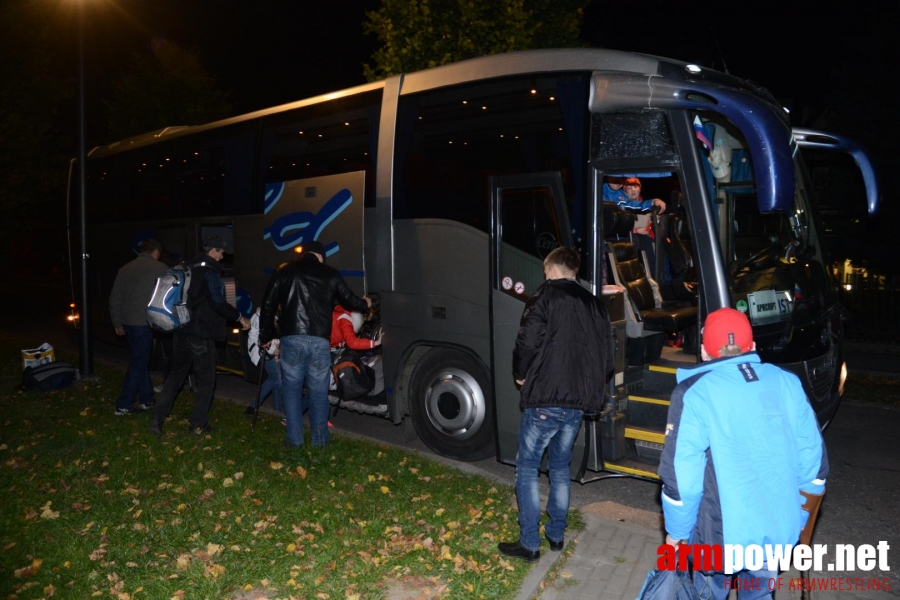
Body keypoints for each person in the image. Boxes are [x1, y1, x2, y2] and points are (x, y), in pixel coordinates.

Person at [659, 308, 828, 600]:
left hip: (717, 536)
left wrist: (676, 535)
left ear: (703, 350)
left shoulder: (693, 393)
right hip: (775, 530)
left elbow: (681, 480)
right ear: (751, 346)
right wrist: (795, 521)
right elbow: (814, 468)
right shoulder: (788, 382)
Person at [498, 246, 614, 563]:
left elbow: (527, 340)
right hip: (577, 404)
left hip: (546, 399)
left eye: (545, 271)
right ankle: (557, 535)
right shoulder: (595, 305)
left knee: (527, 468)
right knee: (560, 468)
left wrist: (520, 374)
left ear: (551, 269)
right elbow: (607, 360)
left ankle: (529, 543)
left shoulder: (546, 296)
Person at [258, 240, 371, 448]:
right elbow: (349, 301)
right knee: (318, 391)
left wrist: (265, 335)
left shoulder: (284, 270)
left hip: (291, 339)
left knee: (291, 390)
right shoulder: (330, 273)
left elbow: (268, 304)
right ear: (320, 256)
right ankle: (320, 441)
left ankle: (294, 440)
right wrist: (365, 304)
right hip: (320, 341)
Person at [149, 235, 250, 436]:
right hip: (201, 335)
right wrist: (240, 317)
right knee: (206, 381)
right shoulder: (209, 273)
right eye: (221, 253)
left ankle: (156, 420)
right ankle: (198, 424)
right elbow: (217, 303)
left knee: (175, 377)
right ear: (213, 251)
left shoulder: (187, 269)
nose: (221, 258)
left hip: (181, 332)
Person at [109, 238, 168, 415]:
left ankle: (146, 398)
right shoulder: (160, 268)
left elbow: (115, 298)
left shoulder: (125, 268)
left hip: (127, 321)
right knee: (139, 363)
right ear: (156, 252)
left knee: (139, 360)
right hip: (144, 322)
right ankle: (124, 404)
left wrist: (117, 322)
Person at [245, 307, 283, 417]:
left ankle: (278, 410)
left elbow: (275, 335)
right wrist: (273, 351)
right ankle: (252, 407)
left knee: (278, 379)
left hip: (270, 350)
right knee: (275, 377)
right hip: (261, 351)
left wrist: (277, 349)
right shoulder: (260, 318)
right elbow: (261, 340)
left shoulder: (273, 316)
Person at [622, 177, 665, 272]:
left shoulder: (647, 207)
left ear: (640, 189)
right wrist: (637, 230)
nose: (633, 190)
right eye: (629, 188)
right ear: (625, 191)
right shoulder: (623, 207)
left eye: (635, 187)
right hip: (634, 240)